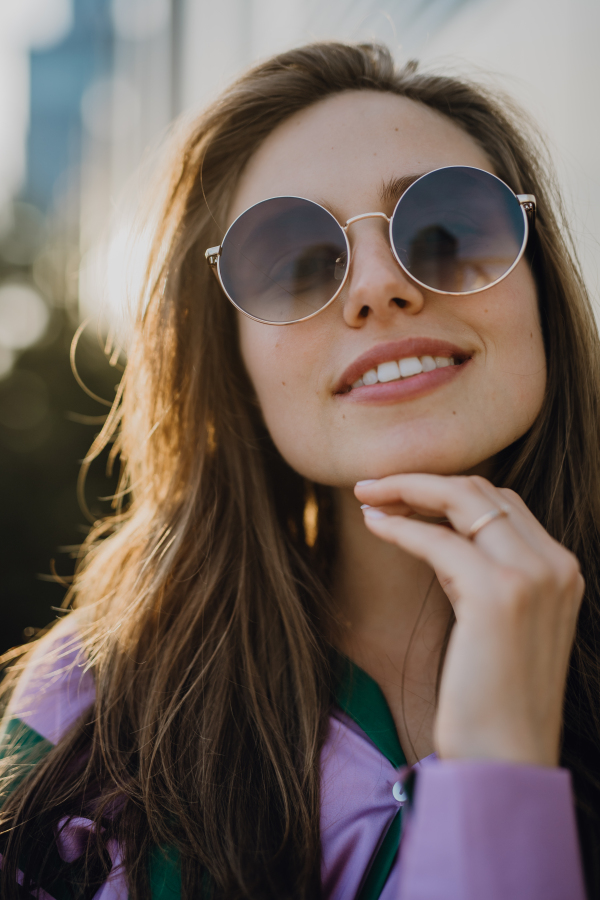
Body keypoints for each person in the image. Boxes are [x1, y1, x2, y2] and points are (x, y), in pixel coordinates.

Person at [0, 41, 598, 900]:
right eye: (297, 265)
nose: (379, 287)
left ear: (538, 283)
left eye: (447, 230)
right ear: (233, 361)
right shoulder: (88, 705)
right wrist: (498, 778)